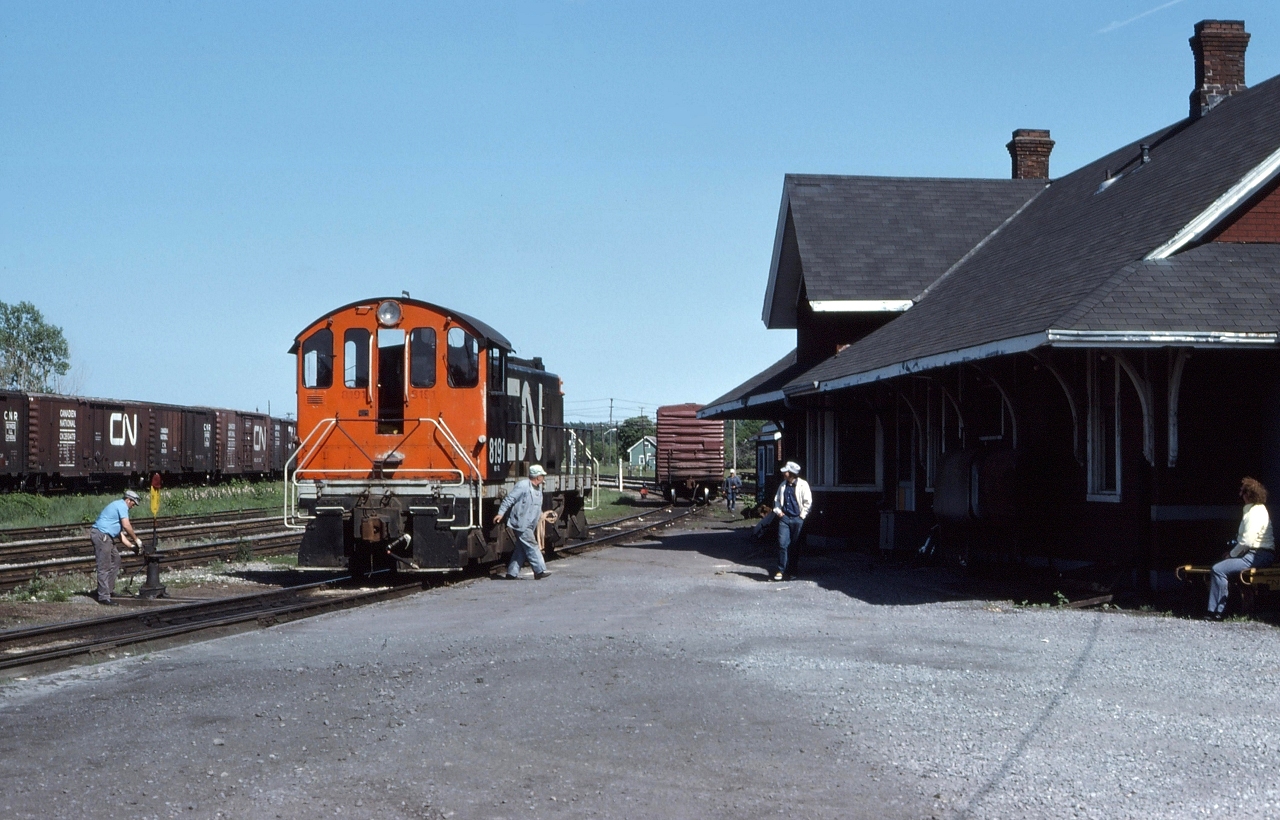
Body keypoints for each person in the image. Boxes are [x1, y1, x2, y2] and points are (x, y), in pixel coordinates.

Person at [1207, 477, 1275, 619]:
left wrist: (1231, 554)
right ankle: (1229, 607)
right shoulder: (1259, 510)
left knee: (1218, 569)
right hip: (1260, 554)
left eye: (1242, 492)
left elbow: (1247, 541)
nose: (1240, 495)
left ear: (1248, 495)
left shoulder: (1253, 513)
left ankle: (1218, 611)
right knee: (1224, 566)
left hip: (1257, 555)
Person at [494, 464, 552, 580]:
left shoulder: (538, 488)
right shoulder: (523, 486)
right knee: (532, 545)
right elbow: (509, 499)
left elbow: (536, 506)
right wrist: (501, 513)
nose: (543, 477)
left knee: (521, 548)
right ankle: (539, 570)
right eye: (542, 475)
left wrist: (542, 515)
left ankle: (512, 573)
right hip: (521, 522)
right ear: (537, 477)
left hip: (531, 523)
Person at [90, 489, 144, 605]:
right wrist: (136, 539)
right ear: (128, 500)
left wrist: (132, 547)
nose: (133, 507)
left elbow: (119, 534)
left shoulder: (117, 507)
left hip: (107, 536)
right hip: (102, 535)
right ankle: (103, 597)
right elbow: (126, 526)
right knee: (104, 566)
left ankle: (108, 590)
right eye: (133, 504)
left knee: (116, 559)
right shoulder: (121, 506)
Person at [771, 461, 812, 581]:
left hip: (797, 519)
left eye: (786, 471)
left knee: (795, 545)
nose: (784, 473)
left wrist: (802, 516)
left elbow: (808, 502)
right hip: (784, 518)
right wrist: (778, 512)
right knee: (782, 544)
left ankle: (792, 571)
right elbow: (777, 500)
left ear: (792, 474)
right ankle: (780, 569)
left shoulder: (803, 485)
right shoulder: (783, 485)